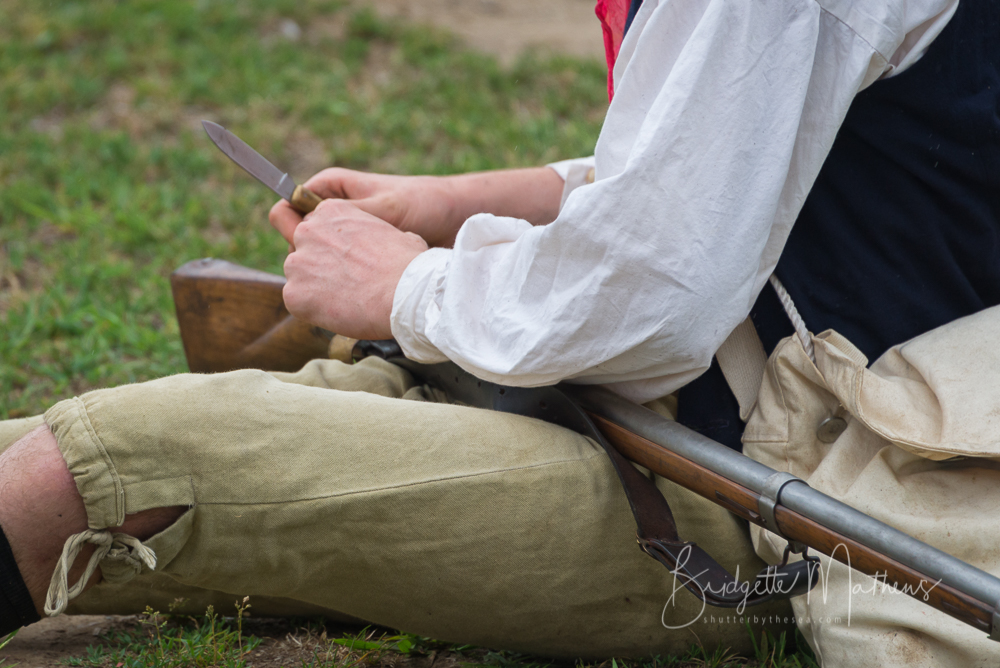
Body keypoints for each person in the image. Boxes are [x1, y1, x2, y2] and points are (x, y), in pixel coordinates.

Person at [0, 0, 996, 660]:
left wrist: (406, 287)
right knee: (33, 449)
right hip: (626, 399)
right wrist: (463, 202)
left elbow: (654, 301)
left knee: (99, 469)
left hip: (788, 495)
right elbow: (719, 170)